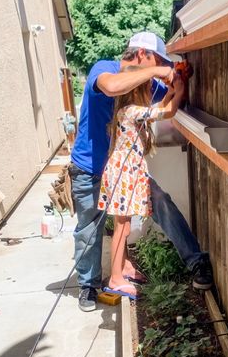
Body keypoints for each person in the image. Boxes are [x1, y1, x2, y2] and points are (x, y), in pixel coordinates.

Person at [70, 31, 212, 312]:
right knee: (90, 228)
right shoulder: (104, 69)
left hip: (128, 172)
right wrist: (161, 70)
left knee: (160, 202)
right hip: (89, 168)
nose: (158, 69)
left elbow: (168, 103)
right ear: (141, 55)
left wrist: (178, 76)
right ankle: (88, 285)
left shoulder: (144, 84)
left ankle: (195, 261)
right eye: (156, 60)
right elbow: (113, 87)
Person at [98, 67, 185, 299]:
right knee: (122, 227)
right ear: (137, 91)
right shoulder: (130, 112)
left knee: (122, 226)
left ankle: (123, 268)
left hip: (125, 173)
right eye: (147, 87)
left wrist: (170, 90)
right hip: (123, 175)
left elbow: (158, 108)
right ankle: (116, 278)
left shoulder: (131, 111)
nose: (150, 91)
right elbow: (167, 111)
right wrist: (181, 87)